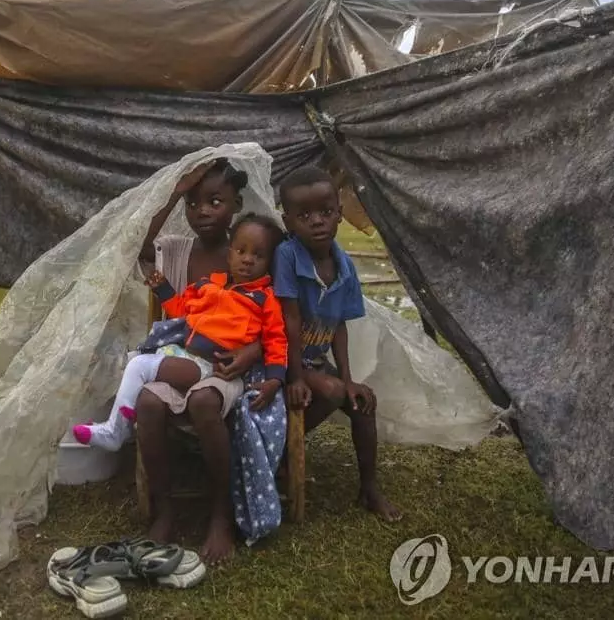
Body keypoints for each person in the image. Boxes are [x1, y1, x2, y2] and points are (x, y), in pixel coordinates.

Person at [133, 157, 269, 565]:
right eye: (193, 204)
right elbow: (138, 243)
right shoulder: (178, 252)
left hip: (227, 366)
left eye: (214, 201)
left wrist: (252, 352)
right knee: (149, 401)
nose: (203, 212)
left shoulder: (247, 252)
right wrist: (175, 192)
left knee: (205, 401)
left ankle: (221, 513)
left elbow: (273, 315)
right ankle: (165, 510)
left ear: (235, 203)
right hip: (181, 358)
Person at [72, 213, 288, 451]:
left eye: (258, 255)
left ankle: (116, 431)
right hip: (183, 352)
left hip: (209, 366)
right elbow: (183, 313)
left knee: (139, 366)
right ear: (230, 254)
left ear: (270, 262)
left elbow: (276, 339)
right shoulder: (209, 285)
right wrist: (164, 290)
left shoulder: (265, 299)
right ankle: (120, 422)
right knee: (130, 361)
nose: (247, 259)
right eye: (241, 251)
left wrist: (275, 379)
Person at [272, 165, 402, 522]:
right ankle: (280, 452)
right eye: (305, 215)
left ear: (340, 214)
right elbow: (290, 320)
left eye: (326, 212)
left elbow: (338, 326)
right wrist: (296, 377)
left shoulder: (343, 266)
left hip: (314, 360)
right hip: (280, 359)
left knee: (362, 401)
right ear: (288, 222)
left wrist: (349, 378)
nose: (317, 222)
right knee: (328, 390)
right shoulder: (287, 256)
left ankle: (369, 487)